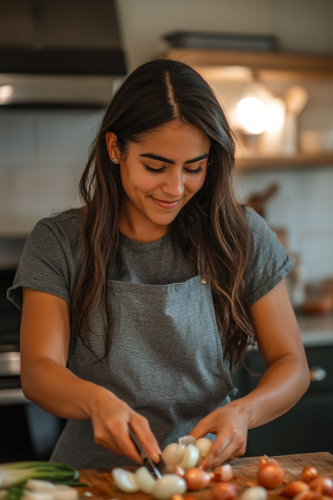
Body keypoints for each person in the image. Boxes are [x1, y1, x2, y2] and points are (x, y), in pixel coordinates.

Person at [7, 59, 310, 470]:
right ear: (116, 149)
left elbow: (292, 364)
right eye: (155, 167)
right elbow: (39, 371)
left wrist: (245, 412)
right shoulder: (59, 241)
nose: (175, 188)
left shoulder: (242, 234)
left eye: (194, 168)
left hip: (206, 476)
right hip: (92, 477)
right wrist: (97, 402)